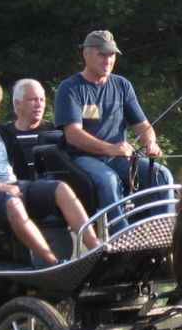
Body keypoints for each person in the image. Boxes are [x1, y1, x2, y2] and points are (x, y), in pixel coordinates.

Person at [0, 74, 102, 267]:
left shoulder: (3, 133)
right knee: (13, 204)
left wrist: (32, 190)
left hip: (15, 186)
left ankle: (96, 249)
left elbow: (21, 171)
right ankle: (53, 262)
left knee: (60, 188)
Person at [54, 30, 173, 223]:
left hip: (118, 157)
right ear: (86, 54)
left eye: (111, 55)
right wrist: (111, 148)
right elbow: (73, 135)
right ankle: (120, 234)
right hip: (82, 157)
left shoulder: (122, 85)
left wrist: (150, 142)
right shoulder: (70, 88)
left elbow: (143, 125)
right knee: (107, 180)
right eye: (102, 55)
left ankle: (163, 230)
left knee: (162, 174)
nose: (107, 60)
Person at [7, 78, 56, 175]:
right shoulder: (4, 134)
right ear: (17, 104)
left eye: (42, 100)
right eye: (33, 99)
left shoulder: (54, 131)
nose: (39, 105)